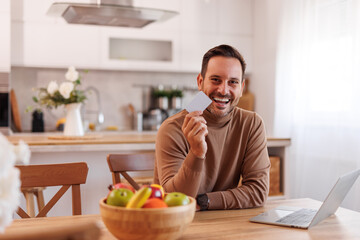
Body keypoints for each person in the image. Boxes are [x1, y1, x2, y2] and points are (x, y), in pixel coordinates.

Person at [153, 44, 270, 210]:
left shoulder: (251, 124)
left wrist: (205, 201)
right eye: (216, 80)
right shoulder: (172, 128)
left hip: (223, 224)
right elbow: (175, 200)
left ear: (241, 88)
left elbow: (258, 192)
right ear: (200, 82)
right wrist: (196, 153)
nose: (223, 90)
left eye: (233, 82)